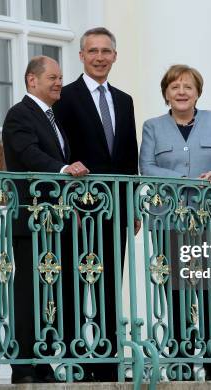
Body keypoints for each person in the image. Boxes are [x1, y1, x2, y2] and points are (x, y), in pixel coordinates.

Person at [139, 64, 211, 381]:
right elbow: (147, 166)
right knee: (177, 290)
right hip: (169, 220)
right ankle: (182, 358)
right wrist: (185, 179)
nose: (181, 92)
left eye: (187, 87)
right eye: (174, 87)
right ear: (166, 94)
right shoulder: (153, 126)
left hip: (210, 219)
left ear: (197, 92)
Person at [53, 27, 139, 382]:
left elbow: (129, 156)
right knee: (74, 283)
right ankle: (76, 359)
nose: (100, 57)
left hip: (115, 208)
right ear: (81, 56)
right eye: (93, 51)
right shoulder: (66, 97)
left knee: (108, 285)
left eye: (106, 51)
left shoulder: (124, 99)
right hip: (77, 208)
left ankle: (106, 360)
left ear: (115, 56)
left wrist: (132, 205)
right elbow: (61, 151)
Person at [2, 55, 89, 383]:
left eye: (60, 77)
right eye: (52, 77)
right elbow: (29, 154)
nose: (58, 83)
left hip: (57, 219)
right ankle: (23, 366)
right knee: (28, 292)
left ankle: (42, 361)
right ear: (31, 80)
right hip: (32, 218)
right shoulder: (19, 115)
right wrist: (64, 169)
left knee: (51, 294)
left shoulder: (53, 118)